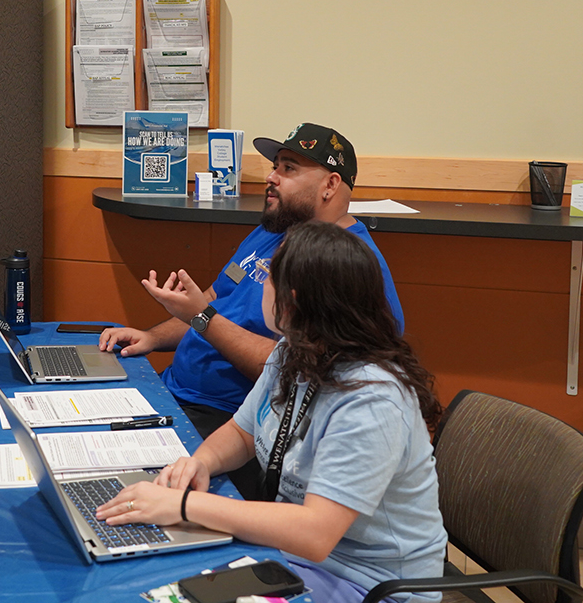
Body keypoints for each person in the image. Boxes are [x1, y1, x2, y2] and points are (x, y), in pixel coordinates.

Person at [96, 221, 446, 603]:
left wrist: (183, 505)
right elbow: (244, 433)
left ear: (290, 300)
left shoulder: (372, 399)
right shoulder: (293, 351)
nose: (259, 285)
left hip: (369, 585)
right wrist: (201, 463)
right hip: (294, 558)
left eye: (266, 279)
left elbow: (315, 534)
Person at [99, 123, 402, 499]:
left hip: (221, 416)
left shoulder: (352, 267)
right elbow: (215, 298)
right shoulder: (273, 231)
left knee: (116, 490)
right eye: (275, 166)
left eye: (288, 168)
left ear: (330, 185)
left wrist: (202, 318)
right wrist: (154, 337)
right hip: (179, 394)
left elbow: (307, 370)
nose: (271, 178)